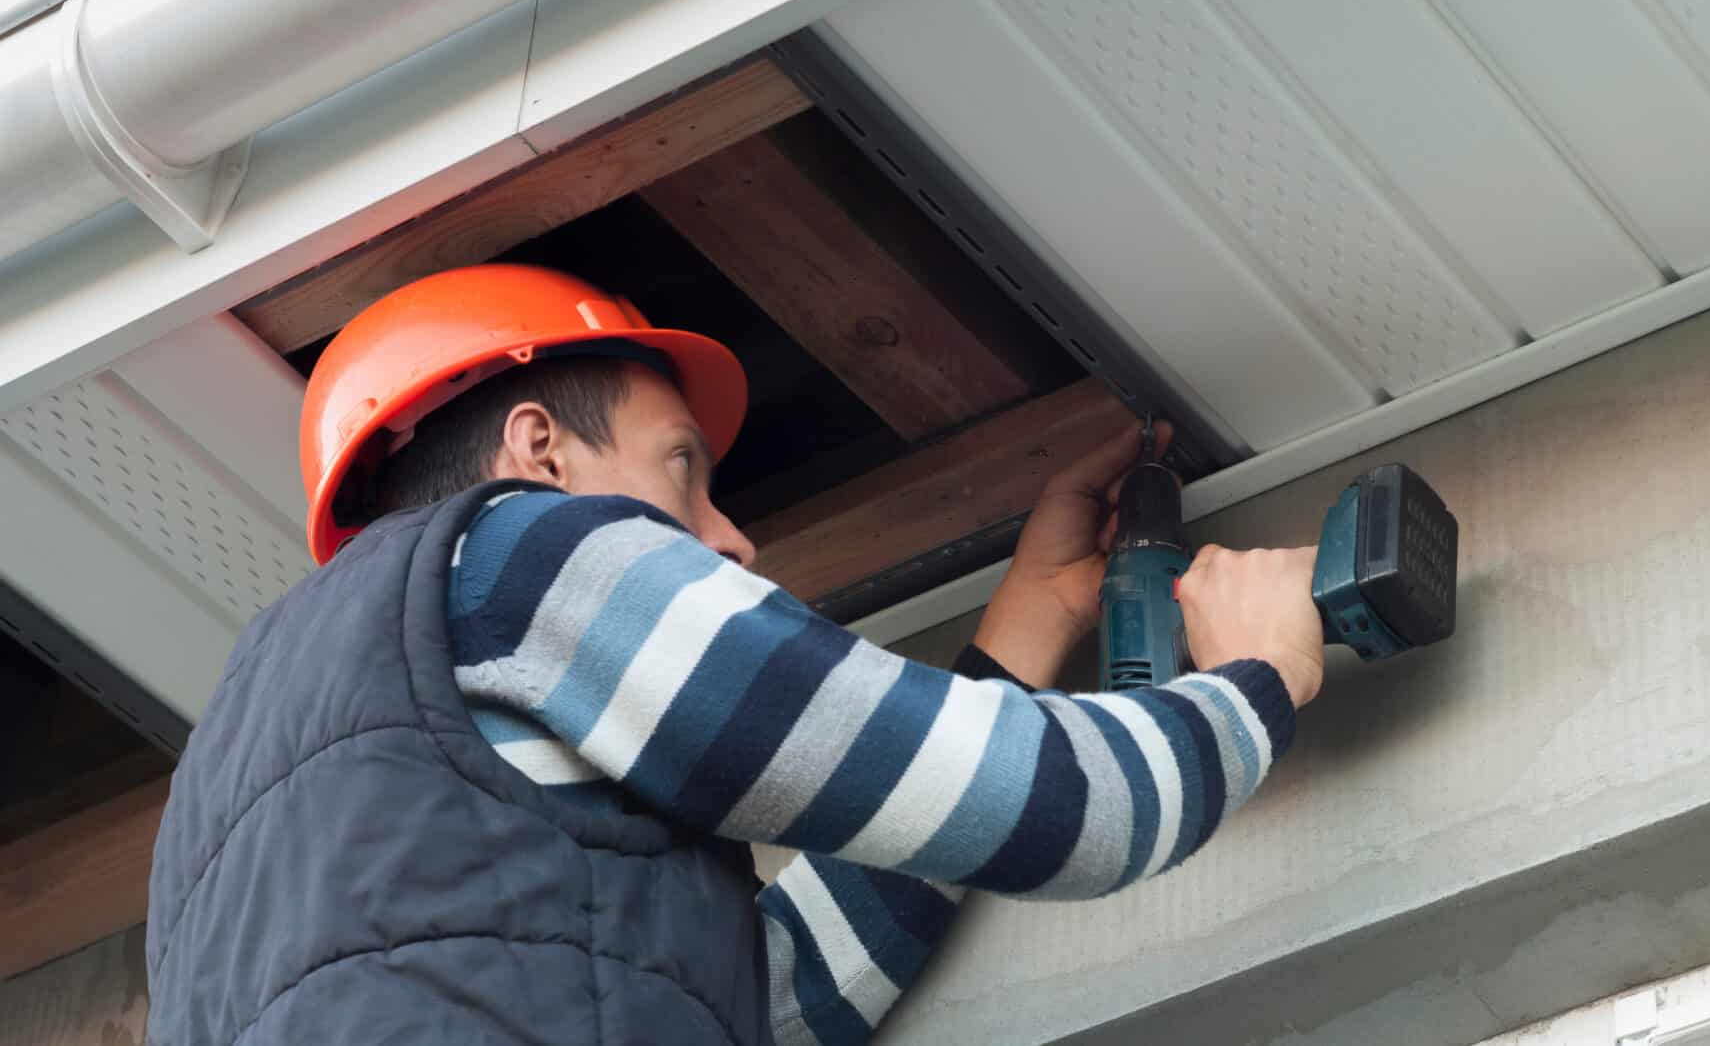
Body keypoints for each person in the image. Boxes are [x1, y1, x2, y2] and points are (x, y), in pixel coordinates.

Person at [146, 263, 1326, 1046]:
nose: (730, 536)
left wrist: (1025, 625)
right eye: (681, 468)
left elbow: (750, 1002)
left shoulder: (219, 824)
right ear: (539, 450)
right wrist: (1253, 678)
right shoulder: (520, 554)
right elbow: (1071, 816)